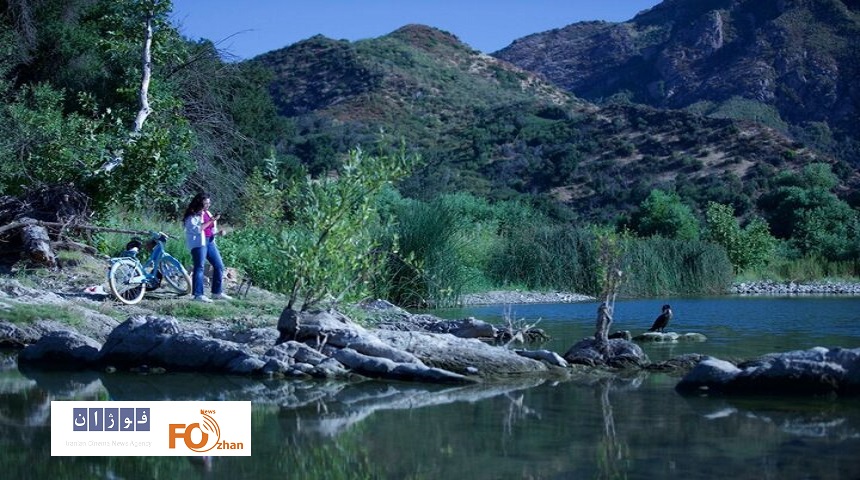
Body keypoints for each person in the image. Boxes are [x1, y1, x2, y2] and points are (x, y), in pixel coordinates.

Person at [183, 192, 232, 302]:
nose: (208, 205)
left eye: (209, 203)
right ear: (199, 203)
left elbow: (210, 229)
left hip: (210, 241)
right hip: (199, 244)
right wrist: (211, 221)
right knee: (199, 267)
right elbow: (196, 229)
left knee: (219, 265)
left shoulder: (208, 213)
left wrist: (219, 233)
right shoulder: (192, 216)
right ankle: (198, 295)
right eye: (206, 203)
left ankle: (216, 292)